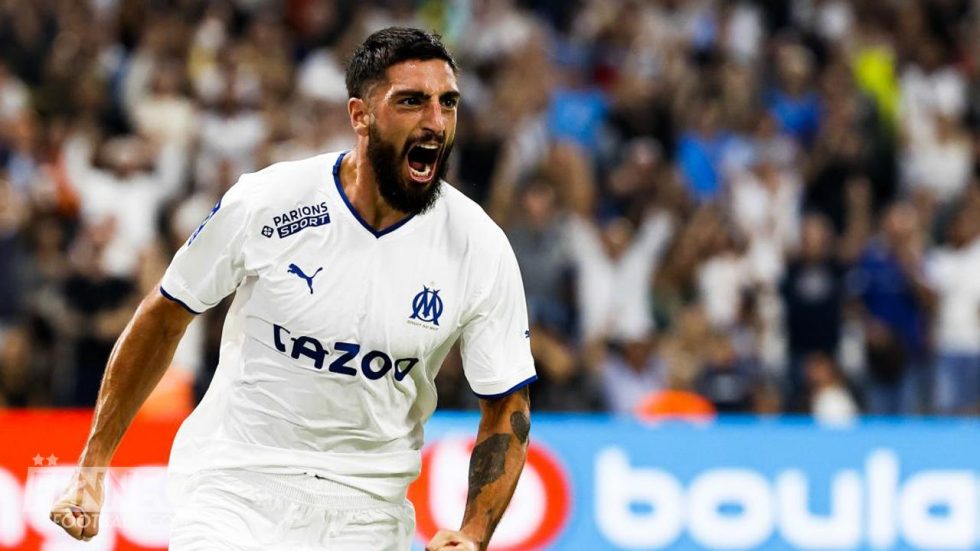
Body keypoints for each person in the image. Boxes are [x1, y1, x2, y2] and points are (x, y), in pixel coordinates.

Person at [49, 27, 536, 551]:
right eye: (412, 102)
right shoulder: (268, 201)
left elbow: (506, 405)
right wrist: (92, 467)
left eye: (448, 103)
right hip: (234, 493)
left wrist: (474, 534)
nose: (436, 122)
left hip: (367, 516)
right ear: (360, 115)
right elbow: (165, 315)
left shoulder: (479, 246)